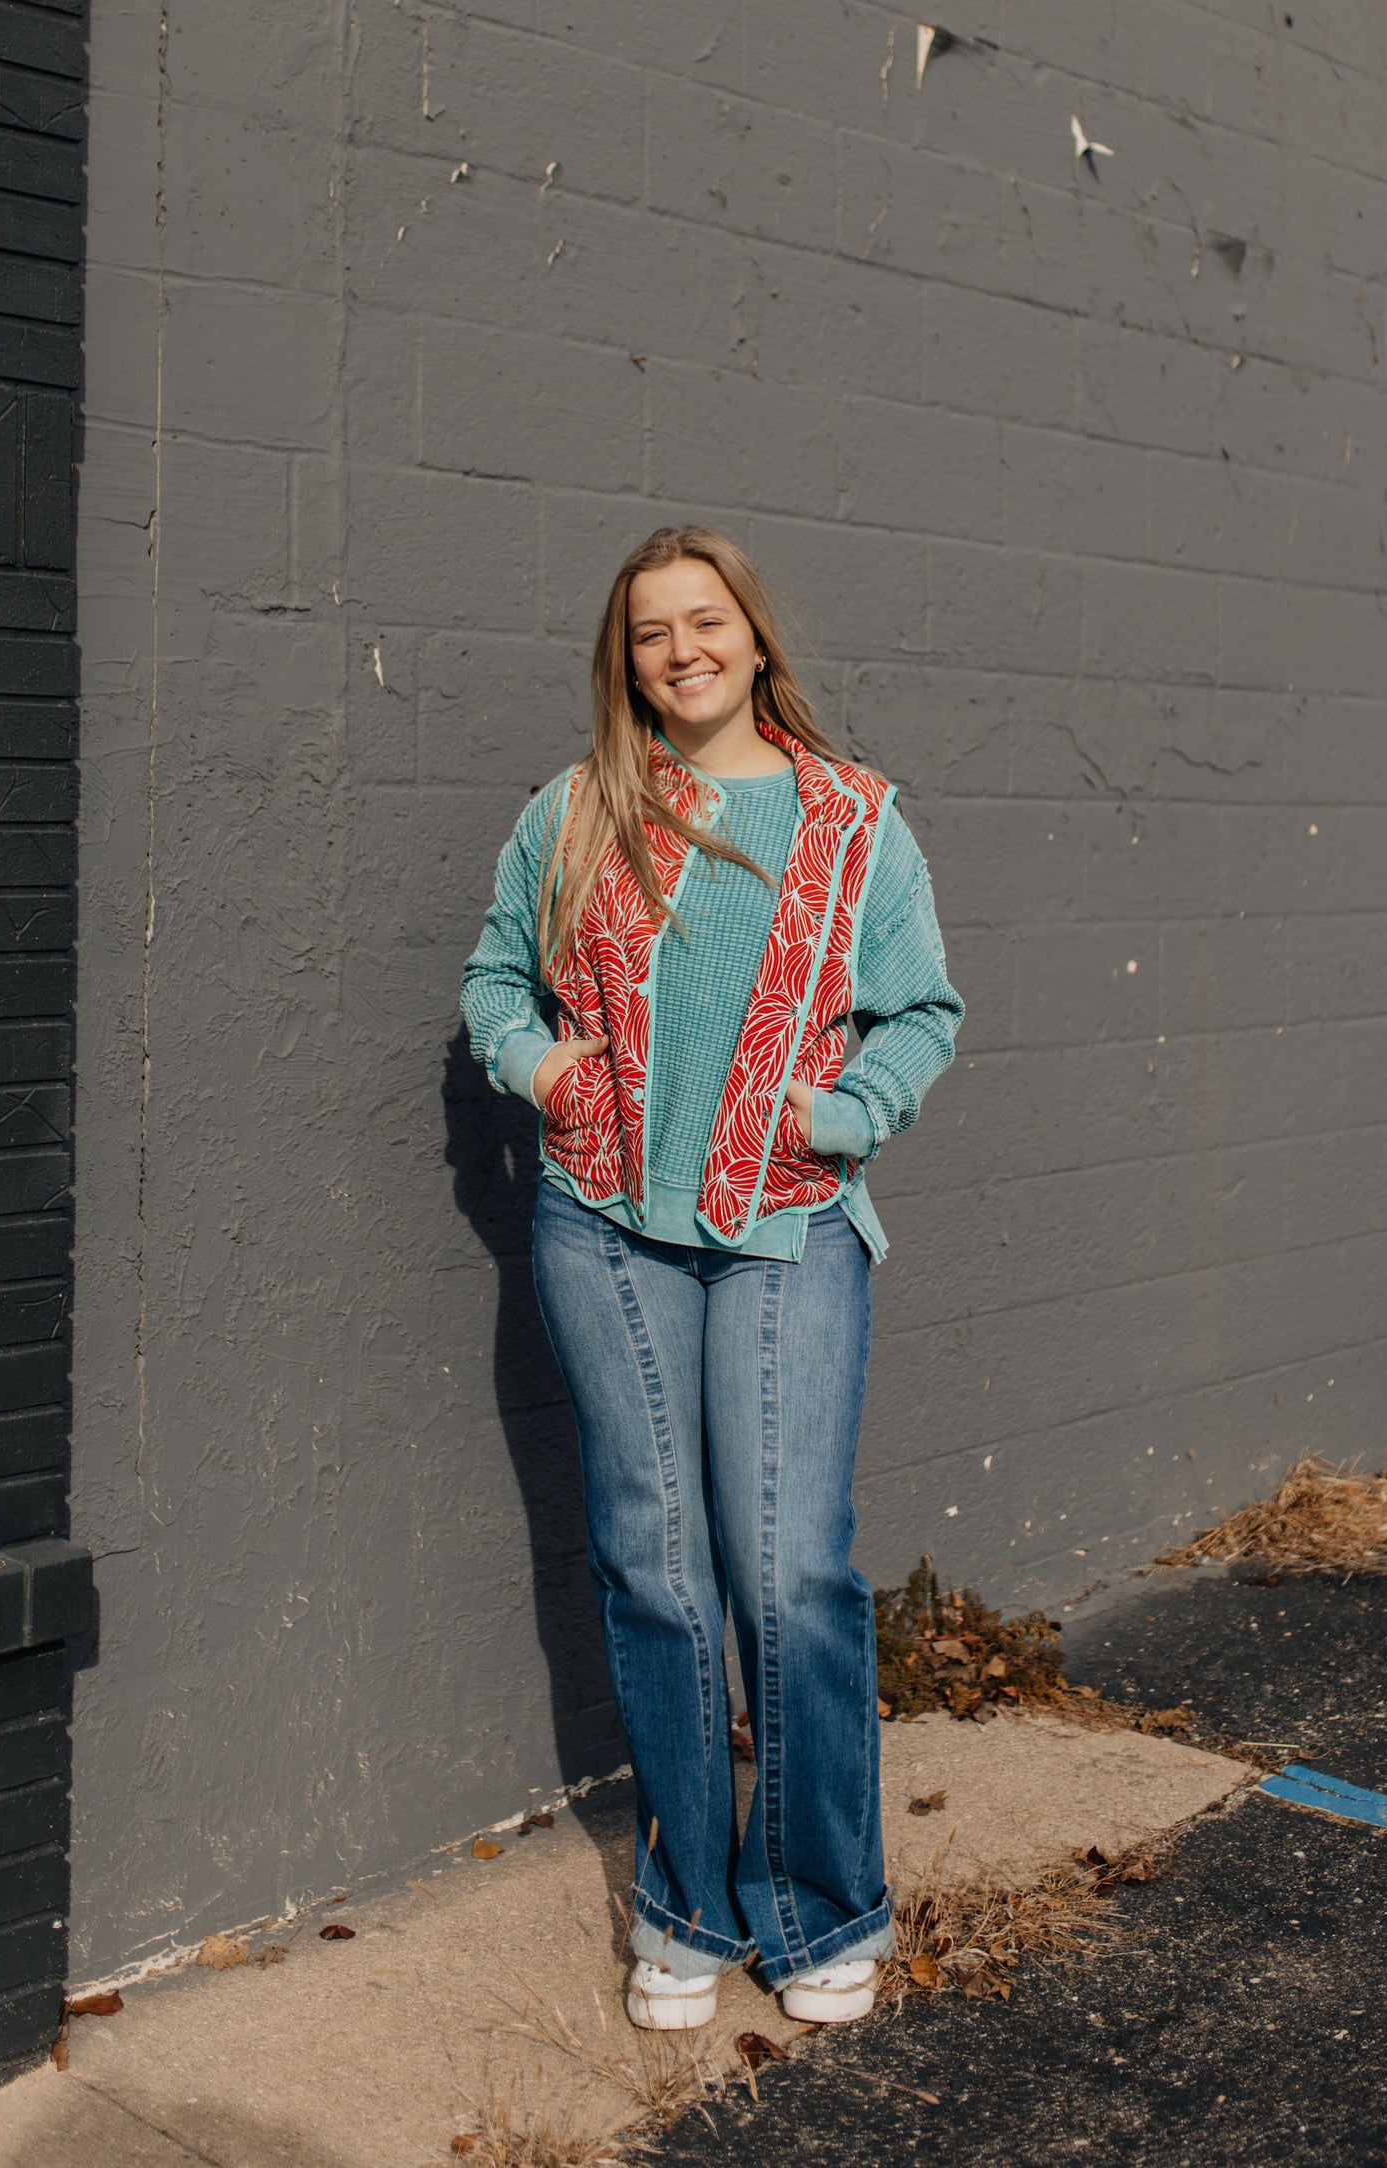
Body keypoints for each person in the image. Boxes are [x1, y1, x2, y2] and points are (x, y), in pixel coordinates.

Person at [460, 526, 963, 2031]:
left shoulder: (854, 820)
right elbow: (494, 982)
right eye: (650, 632)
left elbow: (923, 1013)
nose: (681, 650)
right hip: (604, 1225)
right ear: (625, 663)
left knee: (789, 1571)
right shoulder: (575, 812)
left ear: (752, 636)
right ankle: (687, 1902)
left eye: (705, 621)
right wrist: (543, 1068)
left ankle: (818, 1906)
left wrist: (845, 1115)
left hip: (788, 1226)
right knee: (656, 1570)